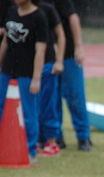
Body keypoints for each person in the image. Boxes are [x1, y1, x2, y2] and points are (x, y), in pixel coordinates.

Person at [0, 0, 48, 162]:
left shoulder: (39, 16)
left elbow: (40, 50)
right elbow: (6, 41)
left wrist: (36, 78)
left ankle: (30, 149)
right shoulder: (11, 10)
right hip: (7, 70)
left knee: (28, 112)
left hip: (26, 72)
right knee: (1, 107)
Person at [42, 0, 92, 151]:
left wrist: (79, 47)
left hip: (69, 54)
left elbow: (73, 18)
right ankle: (57, 137)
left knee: (75, 97)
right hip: (49, 57)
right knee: (52, 99)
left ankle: (83, 137)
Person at [38, 1, 65, 156]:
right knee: (31, 107)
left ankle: (51, 142)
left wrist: (59, 60)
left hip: (47, 63)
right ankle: (34, 140)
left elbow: (60, 34)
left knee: (48, 104)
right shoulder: (13, 9)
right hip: (24, 66)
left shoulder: (47, 8)